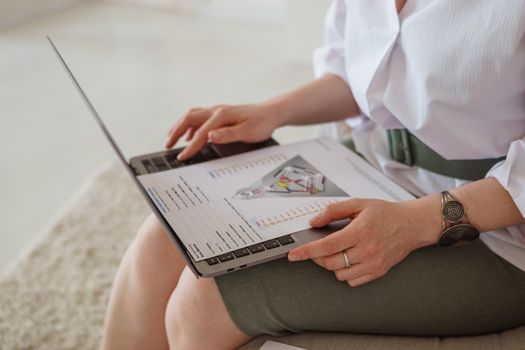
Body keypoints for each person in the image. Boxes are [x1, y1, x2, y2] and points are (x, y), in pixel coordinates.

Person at [100, 1, 525, 349]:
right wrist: (270, 113)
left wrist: (418, 222)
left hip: (498, 231)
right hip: (367, 171)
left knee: (206, 301)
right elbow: (358, 74)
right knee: (168, 234)